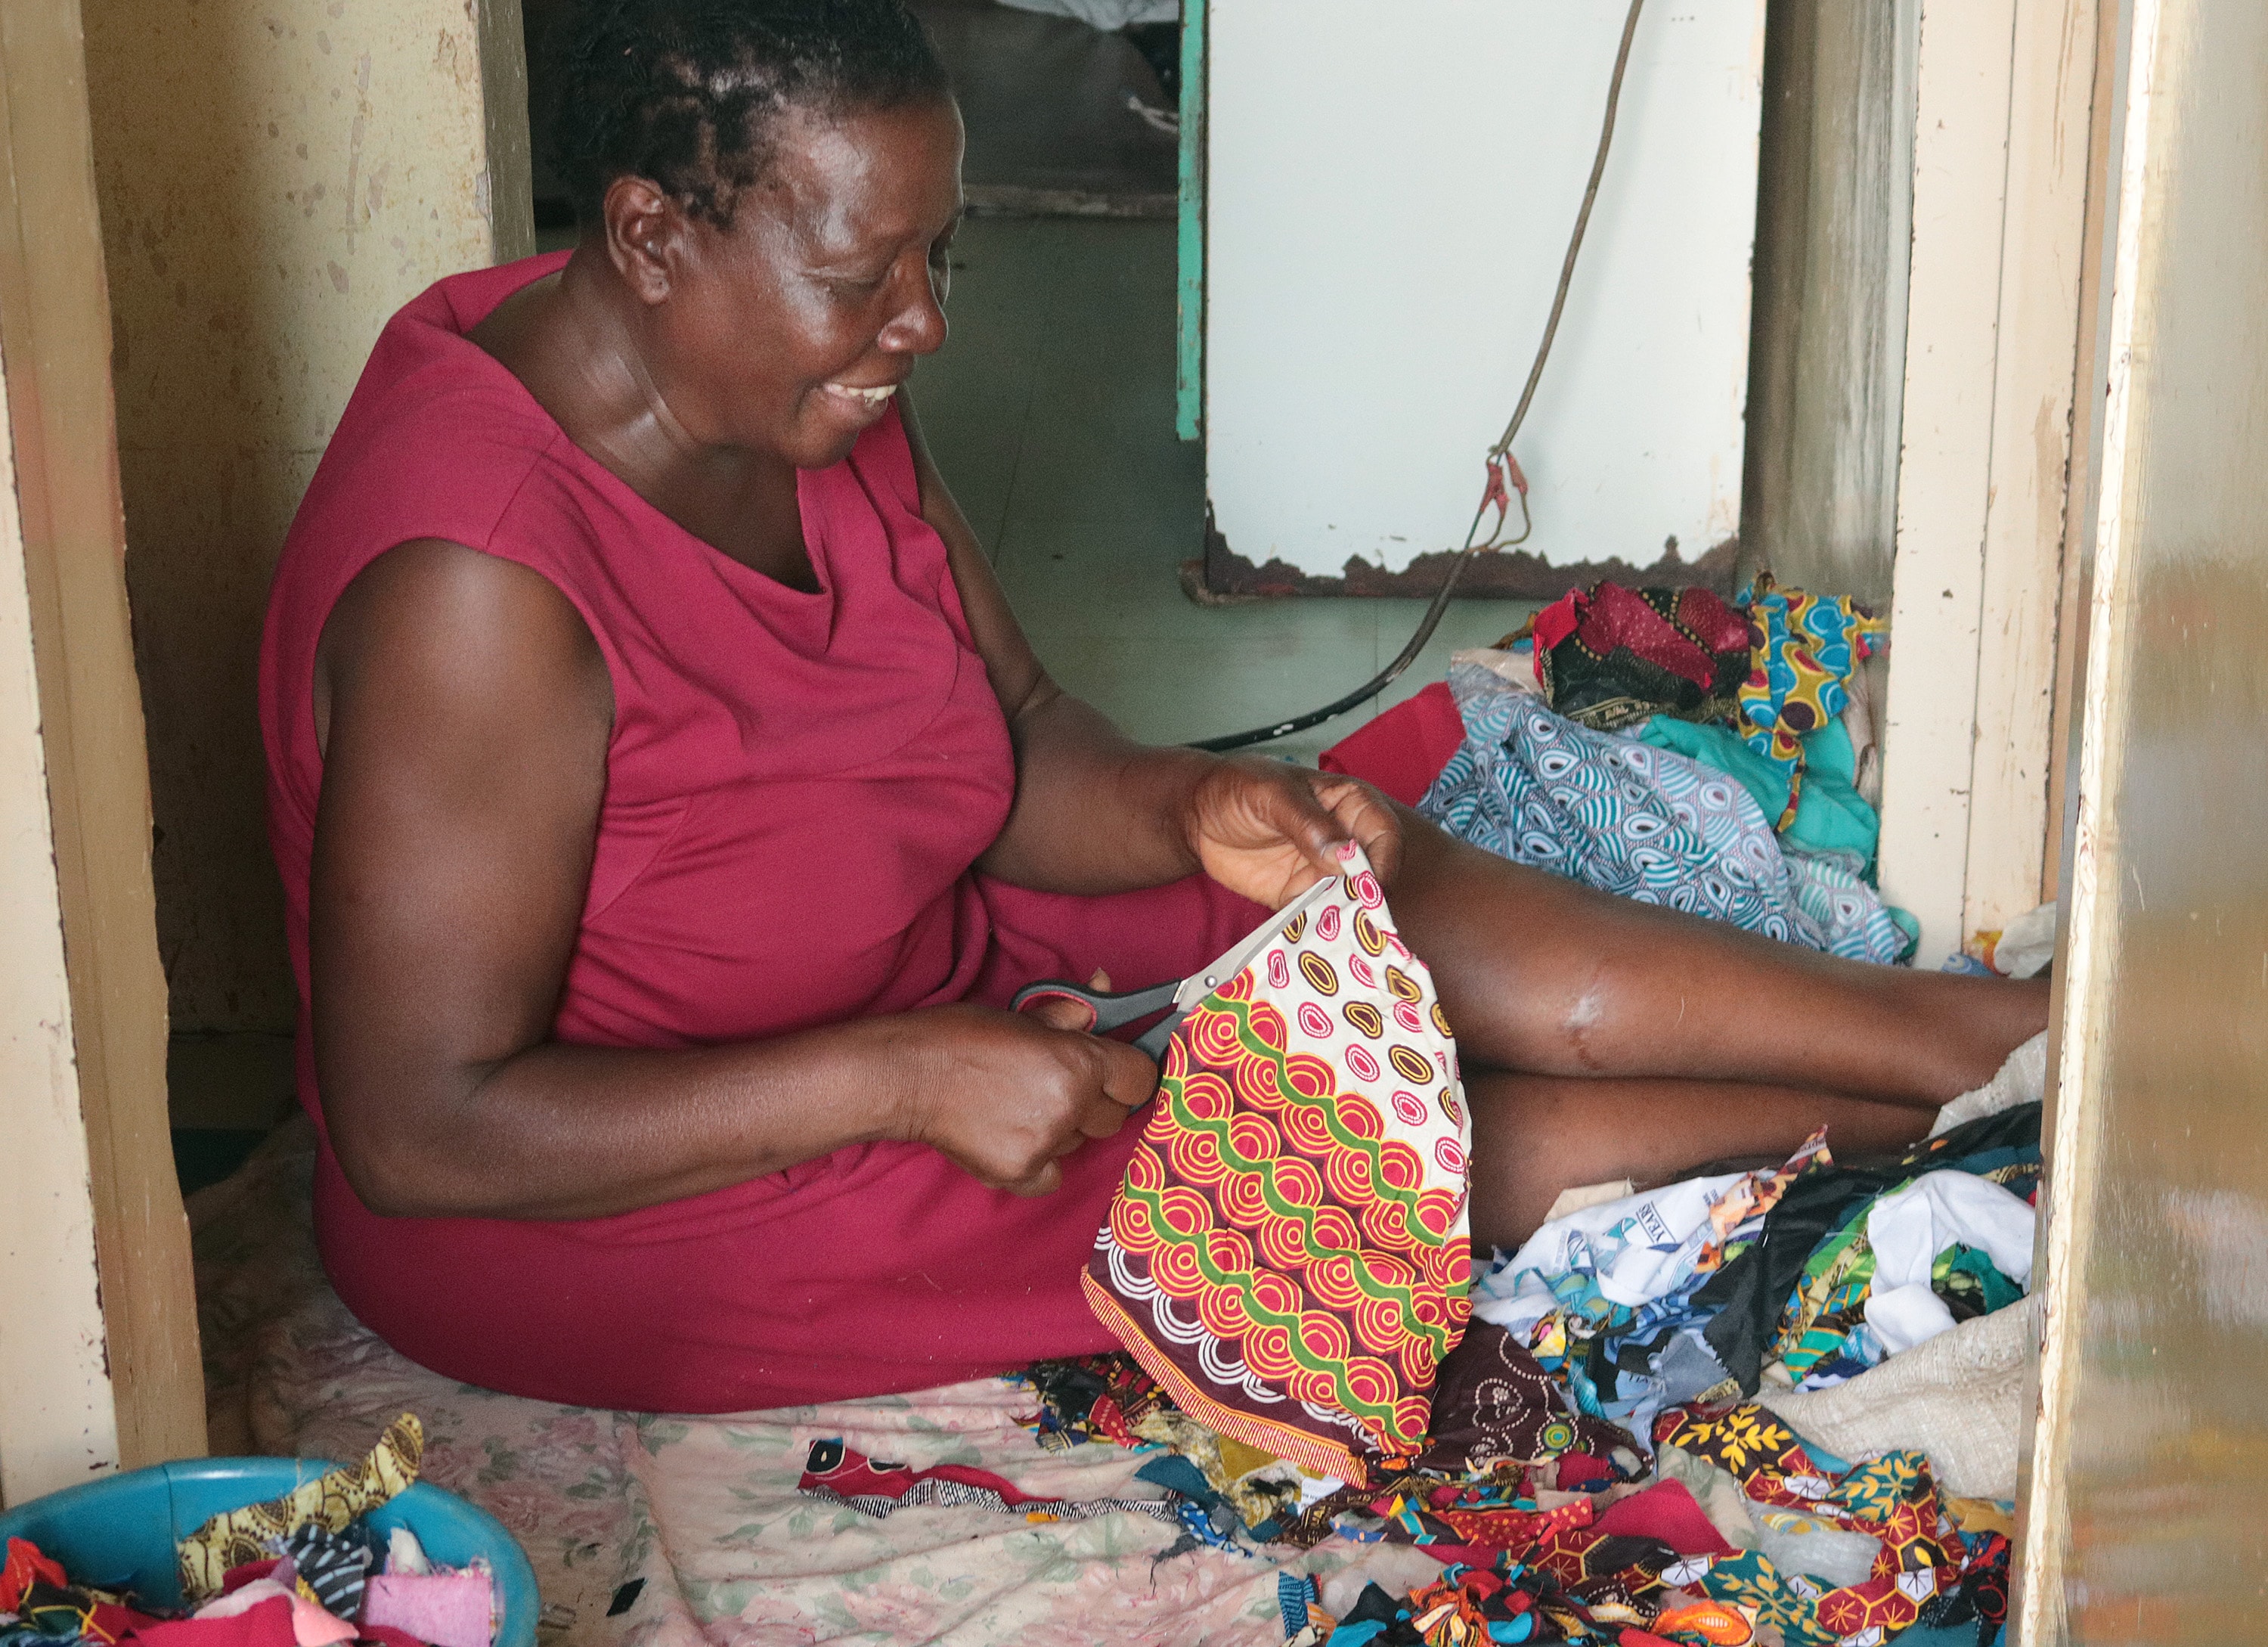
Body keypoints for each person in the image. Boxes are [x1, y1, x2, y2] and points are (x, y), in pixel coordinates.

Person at [259, 0, 2046, 1416]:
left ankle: (1969, 1036)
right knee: (1331, 1146)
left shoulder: (792, 381)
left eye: (933, 260)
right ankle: (1971, 1129)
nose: (921, 326)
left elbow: (1013, 734)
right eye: (862, 274)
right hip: (647, 1187)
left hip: (908, 944)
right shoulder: (479, 591)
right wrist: (896, 1076)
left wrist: (1193, 812)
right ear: (648, 239)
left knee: (1346, 873)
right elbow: (425, 1131)